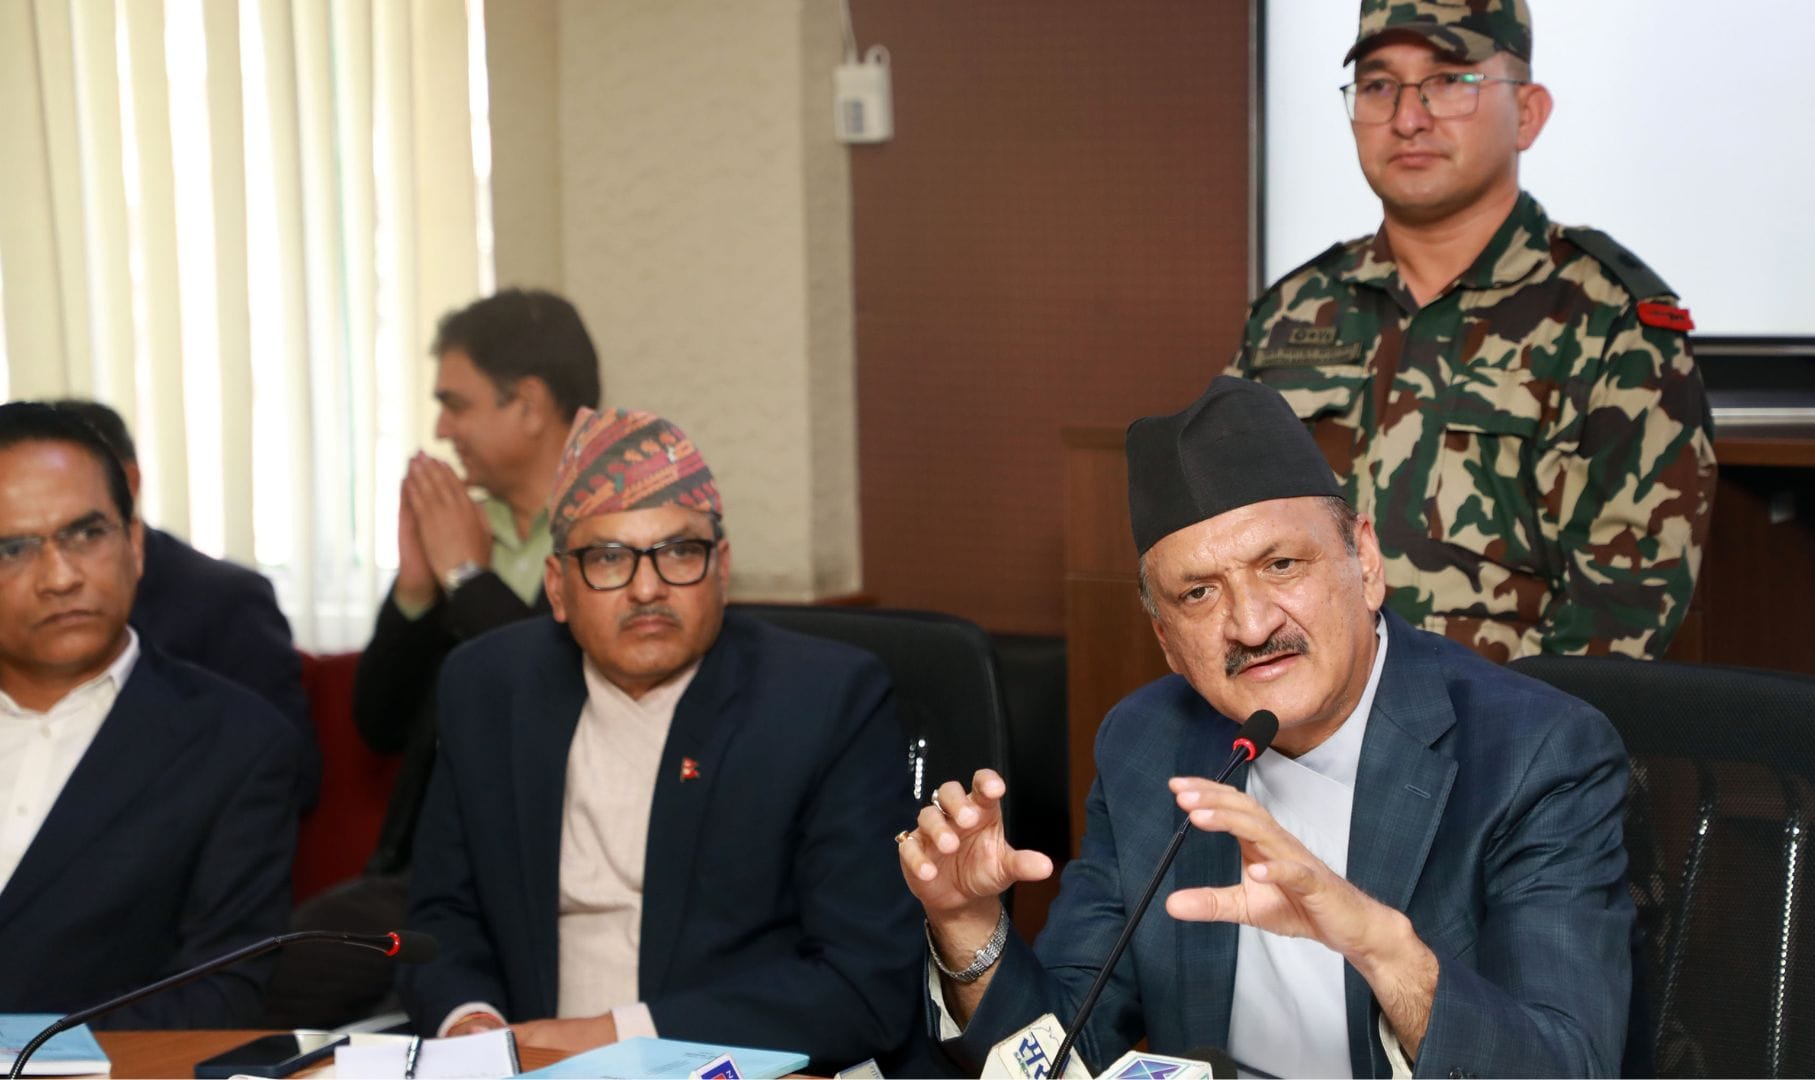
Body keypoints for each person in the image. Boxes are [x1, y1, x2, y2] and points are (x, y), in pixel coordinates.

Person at [901, 377, 1632, 1077]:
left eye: (1281, 565)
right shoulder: (1147, 742)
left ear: (1365, 561)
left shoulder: (1534, 753)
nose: (1251, 625)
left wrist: (1385, 951)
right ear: (1166, 641)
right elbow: (1070, 1051)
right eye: (1198, 593)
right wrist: (967, 923)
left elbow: (1566, 1067)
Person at [399, 408, 921, 1071]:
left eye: (679, 553)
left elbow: (863, 984)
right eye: (607, 558)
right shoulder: (487, 688)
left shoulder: (825, 702)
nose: (647, 588)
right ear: (557, 587)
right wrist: (471, 1023)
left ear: (721, 569)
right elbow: (442, 916)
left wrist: (611, 1037)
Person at [1231, 0, 1715, 662]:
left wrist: (1485, 728)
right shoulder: (1293, 311)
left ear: (1528, 113)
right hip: (1299, 707)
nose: (1408, 118)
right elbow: (1220, 539)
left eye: (1450, 81)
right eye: (1378, 86)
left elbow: (1622, 610)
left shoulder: (1614, 321)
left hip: (1511, 718)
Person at [0, 403, 303, 1026]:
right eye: (13, 549)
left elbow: (221, 995)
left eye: (86, 535)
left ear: (135, 545)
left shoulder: (235, 744)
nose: (59, 576)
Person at [353, 287, 601, 875]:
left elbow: (564, 703)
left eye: (456, 405)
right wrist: (416, 589)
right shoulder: (461, 527)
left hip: (562, 862)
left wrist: (468, 581)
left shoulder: (617, 534)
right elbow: (380, 726)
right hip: (430, 868)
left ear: (530, 405)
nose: (441, 429)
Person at [47, 399, 316, 810]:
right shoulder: (17, 603)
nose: (57, 575)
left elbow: (290, 772)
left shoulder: (226, 601)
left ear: (128, 482)